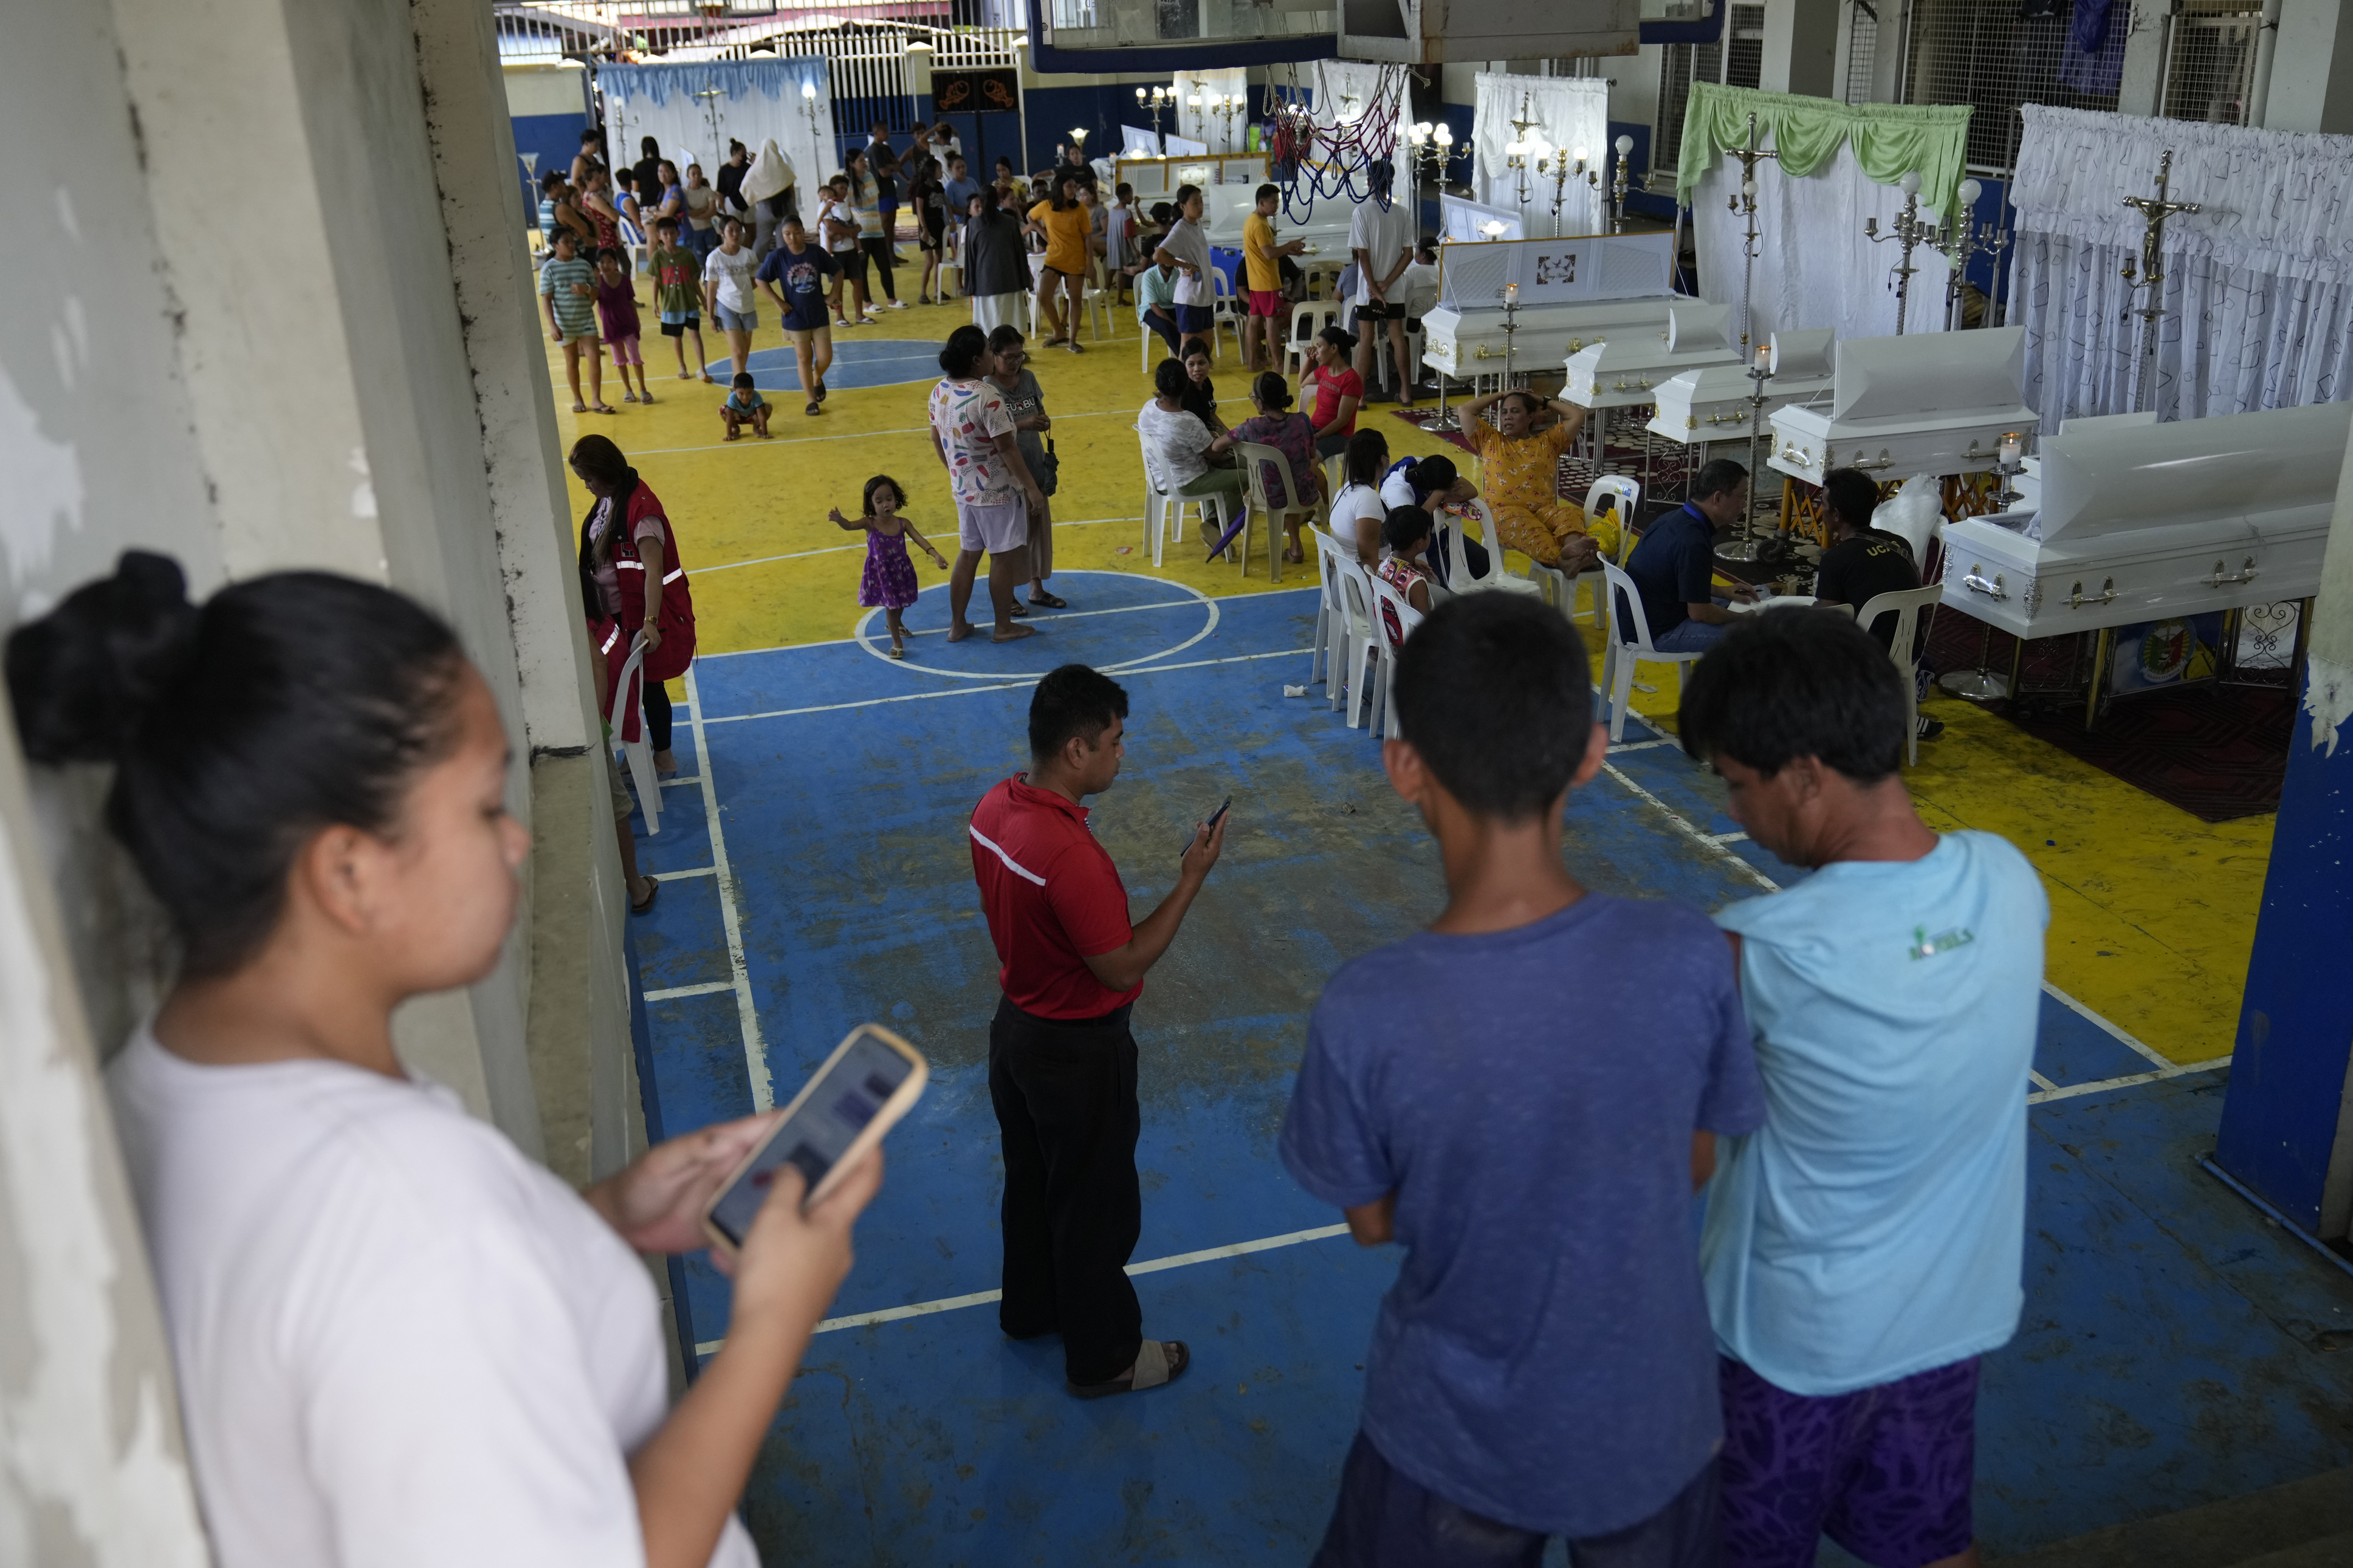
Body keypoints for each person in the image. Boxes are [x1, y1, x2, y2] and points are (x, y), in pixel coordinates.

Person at [8, 550, 876, 1568]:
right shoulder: (418, 1220)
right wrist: (776, 1316)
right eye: (481, 806)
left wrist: (589, 1222)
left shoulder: (155, 1092)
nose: (516, 841)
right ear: (348, 872)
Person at [1280, 589, 1764, 1568]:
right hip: (1652, 1418)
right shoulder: (1694, 954)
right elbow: (1695, 1163)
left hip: (1451, 1433)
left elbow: (1373, 1221)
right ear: (1592, 750)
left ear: (1403, 766)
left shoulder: (1367, 1006)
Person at [1678, 608, 2045, 1568]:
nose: (1732, 811)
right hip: (1941, 1327)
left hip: (1787, 1351)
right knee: (1931, 1547)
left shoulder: (1759, 952)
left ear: (1805, 773)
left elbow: (1675, 1161)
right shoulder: (2010, 883)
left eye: (1737, 783)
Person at [969, 665, 1228, 1400]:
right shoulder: (1072, 857)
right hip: (1076, 1055)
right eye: (1115, 740)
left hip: (1014, 1033)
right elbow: (1120, 967)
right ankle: (1106, 1356)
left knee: (1031, 1182)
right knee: (1094, 1206)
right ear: (1076, 751)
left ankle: (1030, 1309)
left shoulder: (992, 809)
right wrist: (1190, 879)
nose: (1123, 752)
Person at [572, 433, 697, 796]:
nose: (586, 487)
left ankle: (663, 757)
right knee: (636, 688)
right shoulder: (610, 501)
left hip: (639, 616)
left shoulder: (643, 513)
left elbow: (654, 572)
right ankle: (643, 751)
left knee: (649, 686)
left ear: (605, 472)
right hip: (614, 612)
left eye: (589, 479)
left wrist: (650, 623)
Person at [930, 325, 1047, 644]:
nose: (990, 354)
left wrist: (955, 472)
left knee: (968, 555)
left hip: (964, 490)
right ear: (975, 360)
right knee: (1001, 557)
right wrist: (1032, 489)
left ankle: (957, 625)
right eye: (986, 350)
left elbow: (937, 439)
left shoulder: (940, 391)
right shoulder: (986, 395)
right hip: (996, 492)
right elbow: (1007, 448)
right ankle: (1003, 626)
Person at [1812, 467, 1943, 742]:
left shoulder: (1836, 559)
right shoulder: (1900, 543)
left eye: (1822, 504)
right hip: (1909, 652)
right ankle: (1898, 716)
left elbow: (1826, 619)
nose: (1820, 509)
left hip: (1863, 660)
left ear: (1835, 516)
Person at [1457, 386, 1606, 570]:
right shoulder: (1490, 440)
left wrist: (1541, 400)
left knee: (1570, 514)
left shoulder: (1548, 442)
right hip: (1501, 515)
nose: (1507, 416)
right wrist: (1503, 395)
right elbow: (1465, 410)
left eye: (1515, 411)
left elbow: (1577, 415)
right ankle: (1561, 560)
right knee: (1524, 524)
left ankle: (1572, 549)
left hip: (1543, 512)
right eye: (1504, 412)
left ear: (1530, 417)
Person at [1623, 458, 1756, 652]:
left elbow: (1679, 580)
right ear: (1717, 498)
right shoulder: (1693, 541)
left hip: (1642, 617)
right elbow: (1700, 613)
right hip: (1653, 632)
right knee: (1758, 635)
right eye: (1741, 497)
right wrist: (1743, 619)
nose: (1745, 505)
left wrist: (1724, 591)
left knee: (1742, 601)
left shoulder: (1672, 519)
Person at [986, 326, 1067, 611]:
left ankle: (1036, 588)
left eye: (1020, 356)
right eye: (1009, 357)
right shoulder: (987, 388)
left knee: (1036, 531)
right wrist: (1023, 424)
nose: (1015, 362)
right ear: (993, 355)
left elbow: (1039, 410)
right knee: (1008, 537)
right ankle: (1006, 594)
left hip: (1034, 464)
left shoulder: (1029, 378)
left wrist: (1043, 421)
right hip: (1006, 474)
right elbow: (991, 432)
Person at [831, 474, 947, 659]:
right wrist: (840, 520)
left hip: (901, 571)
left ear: (896, 498)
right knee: (892, 607)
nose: (886, 505)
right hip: (882, 574)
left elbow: (919, 539)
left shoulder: (903, 523)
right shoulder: (870, 523)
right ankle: (897, 643)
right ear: (871, 504)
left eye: (889, 499)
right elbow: (850, 526)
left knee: (900, 604)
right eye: (879, 501)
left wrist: (935, 554)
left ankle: (897, 624)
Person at [1138, 358, 1243, 558]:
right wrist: (1228, 438)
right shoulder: (1187, 421)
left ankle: (1213, 518)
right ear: (1186, 384)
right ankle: (1217, 527)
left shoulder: (1149, 407)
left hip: (1160, 476)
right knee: (1247, 476)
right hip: (1188, 481)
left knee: (1224, 470)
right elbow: (1214, 454)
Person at [1229, 372, 1326, 565]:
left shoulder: (1251, 427)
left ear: (1260, 402)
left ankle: (1295, 546)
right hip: (1305, 493)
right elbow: (1313, 455)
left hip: (1268, 496)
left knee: (1280, 486)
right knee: (1290, 480)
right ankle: (1296, 545)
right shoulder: (1302, 421)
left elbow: (1218, 446)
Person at [1348, 167, 1418, 404]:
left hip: (1368, 291)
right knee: (1398, 337)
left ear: (1369, 181)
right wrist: (1387, 283)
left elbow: (1363, 256)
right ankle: (1406, 393)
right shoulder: (1402, 213)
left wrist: (1374, 289)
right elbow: (1408, 254)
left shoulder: (1362, 212)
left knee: (1366, 339)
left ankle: (1359, 399)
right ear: (1392, 181)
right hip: (1394, 288)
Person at [756, 214, 836, 417]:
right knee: (804, 357)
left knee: (826, 357)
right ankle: (811, 400)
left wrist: (833, 295)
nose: (792, 238)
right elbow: (761, 280)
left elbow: (839, 270)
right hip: (795, 317)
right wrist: (779, 302)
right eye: (787, 234)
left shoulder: (815, 252)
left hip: (818, 313)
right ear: (782, 235)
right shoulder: (778, 256)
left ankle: (816, 377)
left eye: (797, 233)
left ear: (803, 232)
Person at [1379, 452, 1488, 589]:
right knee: (1446, 585)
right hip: (1415, 544)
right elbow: (1412, 528)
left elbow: (1471, 491)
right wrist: (1440, 494)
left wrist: (1440, 496)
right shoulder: (1398, 492)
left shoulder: (1429, 469)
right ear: (1432, 489)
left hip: (1437, 532)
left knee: (1486, 563)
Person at [538, 227, 609, 415]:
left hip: (585, 319)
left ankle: (596, 399)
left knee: (594, 358)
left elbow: (596, 292)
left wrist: (586, 289)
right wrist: (553, 325)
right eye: (566, 242)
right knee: (572, 361)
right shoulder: (549, 269)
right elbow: (546, 298)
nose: (571, 245)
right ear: (555, 246)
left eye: (572, 241)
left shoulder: (583, 265)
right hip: (565, 324)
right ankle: (578, 398)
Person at [1026, 172, 1092, 352]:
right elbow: (1030, 217)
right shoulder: (1047, 206)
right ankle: (1058, 332)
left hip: (1075, 259)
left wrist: (1090, 263)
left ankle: (1072, 340)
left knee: (1076, 299)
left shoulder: (1080, 209)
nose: (1074, 190)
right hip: (1054, 258)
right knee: (1044, 298)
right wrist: (1042, 232)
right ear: (1059, 188)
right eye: (1069, 186)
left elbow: (1087, 238)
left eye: (1074, 187)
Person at [1242, 183, 1305, 371]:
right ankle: (1278, 364)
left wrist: (1288, 251)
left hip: (1256, 281)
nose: (1277, 206)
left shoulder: (1250, 221)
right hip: (1267, 282)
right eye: (1273, 202)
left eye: (1278, 202)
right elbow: (1269, 254)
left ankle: (1252, 362)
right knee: (1272, 322)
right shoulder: (1260, 225)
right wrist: (1289, 244)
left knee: (1254, 321)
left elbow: (1265, 252)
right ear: (1262, 202)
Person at [1152, 183, 1216, 353]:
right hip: (1190, 298)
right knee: (1190, 350)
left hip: (1205, 295)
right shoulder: (1180, 229)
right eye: (1195, 203)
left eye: (1201, 201)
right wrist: (1187, 265)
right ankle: (1184, 379)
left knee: (1207, 347)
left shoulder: (1198, 224)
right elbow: (1158, 256)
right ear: (1183, 207)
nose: (1200, 206)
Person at [647, 218, 712, 386]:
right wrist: (655, 303)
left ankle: (702, 368)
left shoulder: (687, 255)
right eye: (665, 234)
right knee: (677, 337)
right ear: (659, 236)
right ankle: (682, 366)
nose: (669, 237)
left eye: (672, 233)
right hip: (671, 305)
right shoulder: (658, 257)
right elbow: (655, 281)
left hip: (690, 303)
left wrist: (703, 299)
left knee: (695, 334)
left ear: (678, 234)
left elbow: (693, 280)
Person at [843, 147, 907, 312]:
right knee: (862, 270)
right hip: (861, 235)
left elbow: (874, 201)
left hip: (877, 231)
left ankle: (892, 299)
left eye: (865, 159)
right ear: (852, 164)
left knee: (885, 266)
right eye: (861, 161)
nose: (865, 163)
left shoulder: (870, 176)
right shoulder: (847, 184)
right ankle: (868, 303)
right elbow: (844, 209)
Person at [700, 217, 762, 381]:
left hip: (747, 306)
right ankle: (739, 387)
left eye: (738, 230)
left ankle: (739, 381)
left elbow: (755, 280)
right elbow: (711, 287)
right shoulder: (714, 258)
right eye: (730, 231)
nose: (735, 234)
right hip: (726, 307)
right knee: (738, 351)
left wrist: (744, 290)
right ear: (722, 233)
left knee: (745, 349)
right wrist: (711, 315)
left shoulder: (749, 255)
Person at [962, 185, 1029, 335]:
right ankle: (1013, 355)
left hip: (984, 284)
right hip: (1009, 281)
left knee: (988, 327)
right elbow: (1020, 254)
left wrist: (970, 286)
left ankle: (992, 355)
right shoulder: (1010, 222)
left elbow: (970, 258)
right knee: (1011, 325)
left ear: (981, 201)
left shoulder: (973, 224)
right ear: (999, 201)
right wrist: (1025, 281)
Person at [594, 247, 652, 406]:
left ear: (615, 263)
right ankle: (628, 390)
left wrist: (637, 320)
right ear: (597, 265)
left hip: (628, 324)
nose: (606, 265)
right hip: (611, 327)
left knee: (636, 358)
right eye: (602, 262)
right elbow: (596, 303)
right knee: (620, 361)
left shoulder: (625, 280)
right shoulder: (597, 282)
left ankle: (643, 389)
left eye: (610, 261)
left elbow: (631, 301)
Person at [1375, 505, 1437, 647]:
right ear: (1420, 543)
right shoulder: (1416, 583)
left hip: (1390, 632)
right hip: (1411, 646)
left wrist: (1413, 564)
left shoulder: (1384, 563)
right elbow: (1425, 625)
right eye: (1429, 534)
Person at [1303, 325, 1364, 461]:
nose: (1317, 351)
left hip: (1339, 436)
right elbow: (1302, 382)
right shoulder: (1324, 370)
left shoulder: (1351, 379)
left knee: (1309, 459)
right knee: (1288, 448)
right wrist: (1310, 358)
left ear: (1334, 348)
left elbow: (1342, 420)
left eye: (1320, 346)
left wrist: (1317, 437)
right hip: (1315, 428)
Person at [1331, 429, 1391, 568]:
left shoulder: (1346, 488)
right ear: (1383, 460)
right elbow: (1368, 559)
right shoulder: (1368, 499)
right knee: (1436, 589)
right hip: (1360, 580)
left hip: (1346, 572)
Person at [907, 156, 947, 304]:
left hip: (938, 224)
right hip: (927, 225)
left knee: (940, 259)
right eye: (939, 170)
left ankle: (938, 289)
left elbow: (946, 204)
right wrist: (924, 229)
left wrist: (951, 220)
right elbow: (920, 210)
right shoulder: (922, 188)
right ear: (932, 171)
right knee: (929, 261)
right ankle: (923, 292)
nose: (942, 173)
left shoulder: (939, 186)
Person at [1134, 252, 1183, 358]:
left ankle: (1195, 355)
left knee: (1190, 321)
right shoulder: (1149, 276)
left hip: (1171, 307)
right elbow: (1155, 307)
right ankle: (1184, 358)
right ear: (1158, 260)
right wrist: (1174, 324)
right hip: (1150, 310)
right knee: (1165, 326)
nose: (1169, 263)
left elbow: (1181, 300)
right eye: (1165, 259)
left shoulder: (1178, 274)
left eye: (1171, 259)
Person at [1178, 339, 1226, 436]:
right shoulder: (1185, 393)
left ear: (1210, 363)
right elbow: (1188, 430)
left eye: (1201, 363)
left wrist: (1228, 433)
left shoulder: (1206, 383)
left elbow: (1211, 414)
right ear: (1185, 366)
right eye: (1191, 365)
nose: (1197, 369)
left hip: (1210, 435)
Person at [681, 162, 720, 259]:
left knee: (711, 256)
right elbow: (686, 212)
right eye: (693, 174)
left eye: (699, 174)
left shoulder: (708, 191)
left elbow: (712, 211)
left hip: (709, 229)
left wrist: (695, 214)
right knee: (699, 257)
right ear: (688, 176)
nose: (697, 176)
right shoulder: (684, 192)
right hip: (694, 230)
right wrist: (703, 210)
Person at [720, 372, 771, 441]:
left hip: (753, 417)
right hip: (737, 418)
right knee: (722, 410)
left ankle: (756, 428)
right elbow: (729, 417)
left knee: (768, 407)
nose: (745, 397)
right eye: (741, 393)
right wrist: (729, 435)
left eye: (749, 393)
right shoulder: (732, 398)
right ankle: (736, 428)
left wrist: (765, 433)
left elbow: (761, 416)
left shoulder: (756, 397)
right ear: (735, 390)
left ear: (753, 389)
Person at [716, 138, 751, 223]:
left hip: (749, 202)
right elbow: (720, 192)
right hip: (732, 203)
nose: (745, 156)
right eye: (743, 154)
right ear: (735, 154)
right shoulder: (724, 170)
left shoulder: (749, 168)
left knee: (752, 232)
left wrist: (755, 162)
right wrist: (723, 208)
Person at [630, 135, 663, 216]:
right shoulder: (663, 164)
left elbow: (635, 188)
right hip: (664, 203)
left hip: (647, 205)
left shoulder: (638, 166)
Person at [569, 123, 606, 190]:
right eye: (596, 145)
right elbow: (575, 184)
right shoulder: (578, 161)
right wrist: (585, 197)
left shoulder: (594, 159)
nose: (598, 147)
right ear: (587, 144)